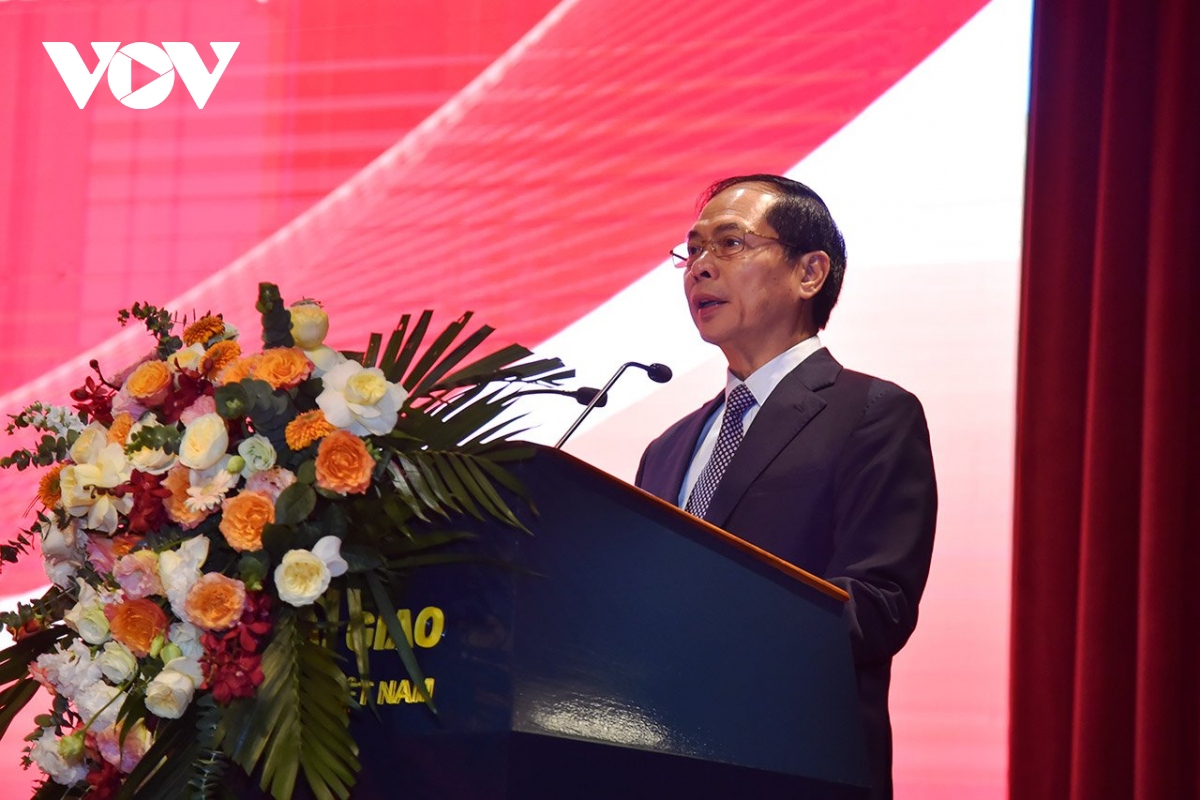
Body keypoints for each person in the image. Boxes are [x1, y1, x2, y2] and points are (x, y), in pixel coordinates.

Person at [635, 174, 937, 800]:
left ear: (809, 273)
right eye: (693, 250)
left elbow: (877, 606)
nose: (700, 267)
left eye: (730, 243)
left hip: (796, 765)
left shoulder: (871, 413)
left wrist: (705, 625)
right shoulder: (665, 451)